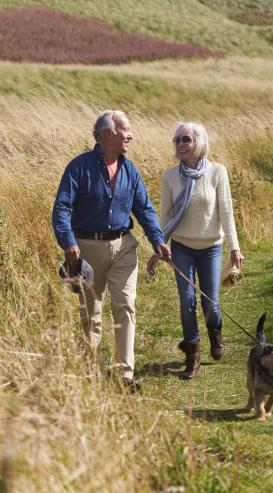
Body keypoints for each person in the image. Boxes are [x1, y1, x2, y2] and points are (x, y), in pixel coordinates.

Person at [52, 110, 171, 391]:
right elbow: (62, 209)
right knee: (91, 313)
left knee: (125, 306)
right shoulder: (78, 167)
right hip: (85, 249)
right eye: (125, 130)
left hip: (124, 246)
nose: (130, 135)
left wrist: (158, 240)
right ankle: (87, 373)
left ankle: (125, 375)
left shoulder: (130, 170)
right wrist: (68, 242)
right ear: (108, 134)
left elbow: (143, 208)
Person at [147, 122, 244, 380]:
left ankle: (216, 333)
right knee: (187, 300)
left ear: (198, 142)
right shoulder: (170, 176)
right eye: (177, 139)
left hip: (211, 247)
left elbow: (226, 212)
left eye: (185, 139)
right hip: (181, 247)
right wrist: (159, 246)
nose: (180, 144)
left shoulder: (217, 172)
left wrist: (235, 247)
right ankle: (193, 355)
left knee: (210, 301)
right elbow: (165, 216)